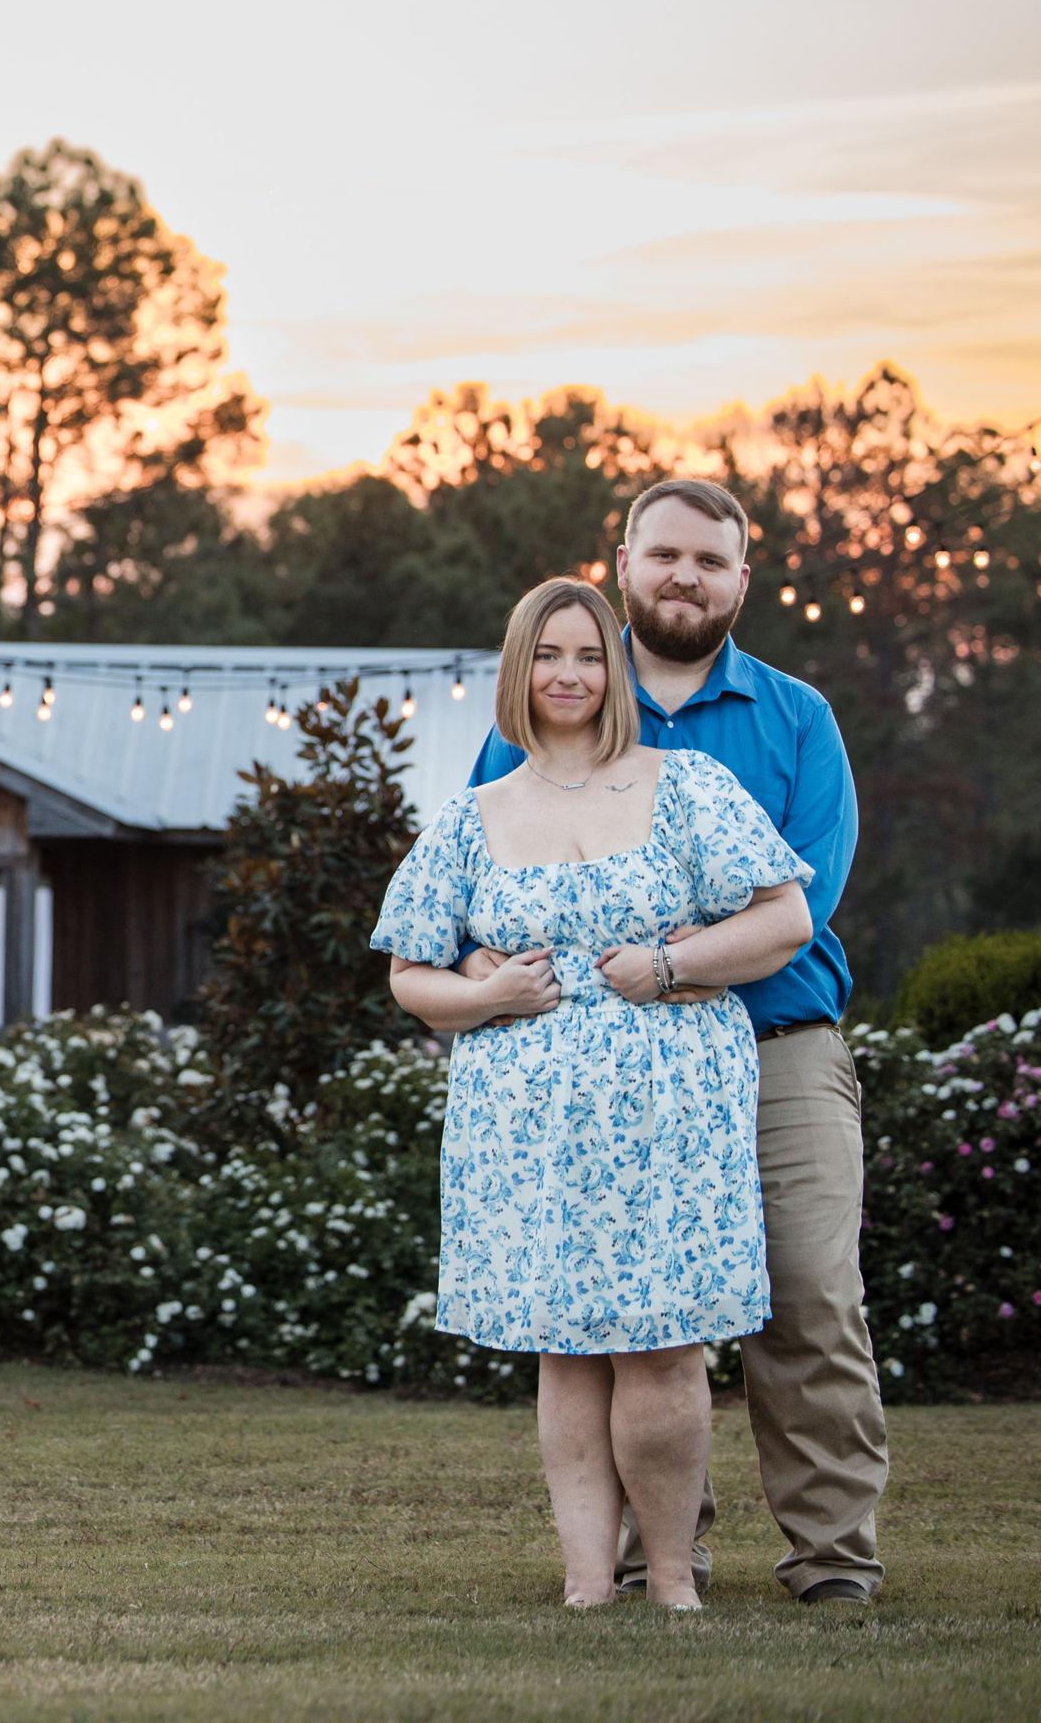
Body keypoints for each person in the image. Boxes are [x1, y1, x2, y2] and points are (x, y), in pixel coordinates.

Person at [460, 478, 888, 1605]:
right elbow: (481, 881)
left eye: (709, 560)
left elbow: (805, 895)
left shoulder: (795, 716)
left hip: (776, 1040)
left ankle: (831, 1557)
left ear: (741, 579)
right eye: (664, 555)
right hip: (602, 1071)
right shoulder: (558, 700)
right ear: (623, 565)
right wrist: (491, 972)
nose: (684, 577)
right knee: (627, 1305)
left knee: (808, 1293)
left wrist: (665, 964)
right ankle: (657, 1554)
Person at [371, 574, 814, 1611]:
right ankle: (586, 1581)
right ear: (515, 670)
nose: (566, 674)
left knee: (661, 1345)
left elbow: (784, 919)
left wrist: (667, 964)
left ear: (614, 670)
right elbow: (409, 974)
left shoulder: (686, 784)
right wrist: (489, 995)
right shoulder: (473, 815)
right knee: (563, 1353)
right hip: (524, 1126)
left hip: (670, 1112)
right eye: (546, 654)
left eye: (585, 654)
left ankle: (673, 1578)